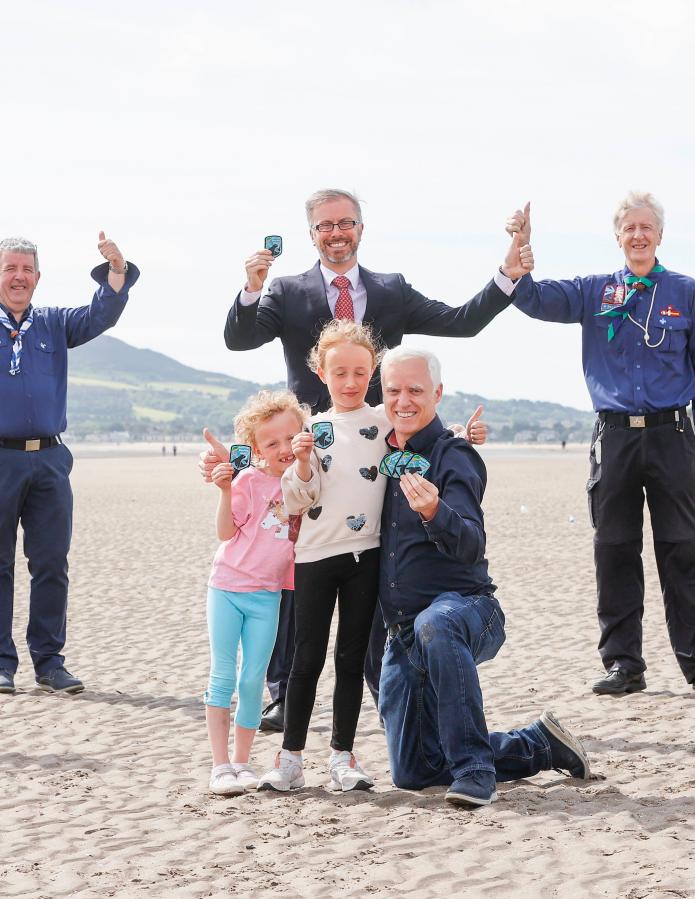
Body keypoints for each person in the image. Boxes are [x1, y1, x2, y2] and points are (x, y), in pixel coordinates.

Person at [223, 188, 524, 732]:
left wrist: (506, 273)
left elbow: (461, 320)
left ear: (361, 228)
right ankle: (282, 691)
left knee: (372, 578)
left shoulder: (390, 290)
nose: (336, 233)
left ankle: (383, 691)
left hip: (374, 454)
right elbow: (239, 339)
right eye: (324, 226)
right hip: (307, 456)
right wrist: (252, 287)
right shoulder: (287, 290)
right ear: (311, 234)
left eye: (346, 223)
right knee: (293, 577)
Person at [506, 195, 695, 698]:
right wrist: (520, 252)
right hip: (613, 437)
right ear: (618, 237)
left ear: (660, 235)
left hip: (672, 435)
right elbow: (533, 300)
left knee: (683, 550)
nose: (638, 235)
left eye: (647, 227)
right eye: (629, 228)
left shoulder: (684, 290)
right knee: (614, 549)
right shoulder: (595, 291)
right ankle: (624, 664)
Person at [253, 321, 487, 794]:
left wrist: (465, 432)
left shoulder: (383, 423)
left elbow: (420, 429)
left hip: (366, 556)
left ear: (372, 372)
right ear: (321, 373)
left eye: (361, 372)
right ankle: (290, 758)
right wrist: (297, 462)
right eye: (340, 373)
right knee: (305, 659)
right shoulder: (311, 431)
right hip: (315, 555)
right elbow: (293, 495)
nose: (351, 382)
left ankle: (342, 755)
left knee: (353, 657)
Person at [0, 216, 138, 696]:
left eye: (28, 269)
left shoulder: (55, 323)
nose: (19, 276)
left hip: (50, 459)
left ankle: (50, 662)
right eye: (10, 268)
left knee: (51, 562)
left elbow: (101, 315)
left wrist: (117, 270)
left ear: (38, 277)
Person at [374, 345, 592, 807]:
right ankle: (538, 745)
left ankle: (476, 770)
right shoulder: (378, 454)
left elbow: (473, 543)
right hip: (403, 632)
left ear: (437, 392)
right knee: (414, 771)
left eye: (415, 389)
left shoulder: (455, 455)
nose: (404, 400)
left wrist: (435, 511)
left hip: (469, 611)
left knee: (437, 622)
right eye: (393, 390)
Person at [199, 391, 309, 796]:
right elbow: (226, 532)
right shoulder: (248, 480)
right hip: (227, 588)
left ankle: (242, 763)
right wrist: (225, 490)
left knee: (251, 682)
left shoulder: (307, 482)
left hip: (268, 596)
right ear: (257, 448)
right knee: (223, 676)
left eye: (289, 438)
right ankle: (220, 765)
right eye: (271, 443)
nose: (282, 448)